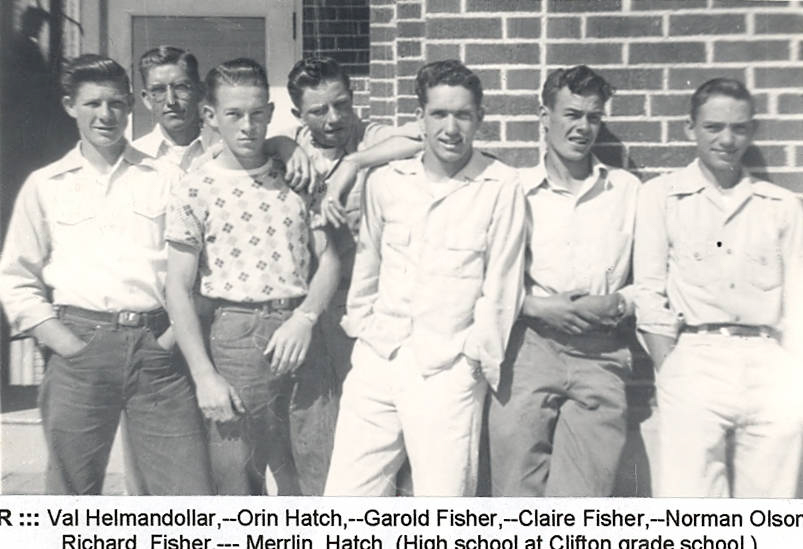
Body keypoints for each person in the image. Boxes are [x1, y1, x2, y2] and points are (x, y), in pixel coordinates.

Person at [0, 54, 212, 495]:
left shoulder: (167, 178)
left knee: (186, 495)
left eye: (116, 103)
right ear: (69, 105)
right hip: (80, 349)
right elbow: (16, 276)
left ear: (131, 105)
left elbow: (201, 269)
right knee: (71, 494)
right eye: (93, 103)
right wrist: (63, 342)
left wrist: (169, 339)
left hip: (158, 351)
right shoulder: (47, 184)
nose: (105, 115)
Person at [324, 59, 526, 496]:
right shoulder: (387, 181)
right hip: (379, 357)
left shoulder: (501, 186)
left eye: (463, 115)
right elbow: (368, 265)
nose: (451, 128)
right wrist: (362, 330)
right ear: (420, 119)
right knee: (346, 498)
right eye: (439, 114)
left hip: (447, 369)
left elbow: (503, 288)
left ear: (479, 119)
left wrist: (472, 360)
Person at [165, 58, 340, 495]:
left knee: (318, 471)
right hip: (237, 338)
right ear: (210, 116)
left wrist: (305, 318)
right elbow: (178, 288)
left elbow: (331, 258)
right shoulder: (195, 186)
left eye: (258, 113)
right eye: (234, 114)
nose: (248, 125)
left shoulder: (296, 174)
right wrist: (205, 375)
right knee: (238, 479)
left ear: (270, 113)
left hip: (303, 333)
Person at [635, 78, 803, 498]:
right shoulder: (663, 196)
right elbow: (649, 291)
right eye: (713, 127)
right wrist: (669, 368)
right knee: (689, 510)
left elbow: (799, 303)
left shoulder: (781, 206)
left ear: (753, 130)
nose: (727, 140)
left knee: (771, 510)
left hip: (770, 362)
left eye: (739, 128)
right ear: (690, 128)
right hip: (695, 355)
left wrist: (792, 374)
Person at [485, 65, 640, 497]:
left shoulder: (626, 190)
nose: (583, 128)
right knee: (514, 490)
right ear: (544, 117)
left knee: (584, 498)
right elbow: (483, 281)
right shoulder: (514, 189)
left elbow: (651, 280)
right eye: (572, 114)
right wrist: (535, 306)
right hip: (530, 349)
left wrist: (619, 304)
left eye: (593, 117)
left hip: (601, 353)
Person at [133, 45, 311, 182]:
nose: (171, 101)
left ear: (201, 91)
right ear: (146, 99)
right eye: (158, 90)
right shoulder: (136, 158)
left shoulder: (231, 143)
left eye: (181, 87)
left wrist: (285, 145)